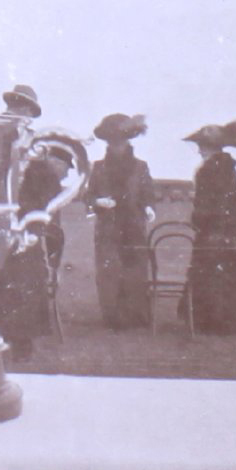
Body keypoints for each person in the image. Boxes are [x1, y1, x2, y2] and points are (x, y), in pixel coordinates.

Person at [0, 84, 66, 361]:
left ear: (29, 113)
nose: (16, 112)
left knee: (25, 280)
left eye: (21, 108)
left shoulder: (37, 146)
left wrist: (36, 217)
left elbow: (49, 187)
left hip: (26, 223)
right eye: (13, 106)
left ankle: (22, 342)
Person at [179, 119, 236, 334]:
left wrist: (197, 219)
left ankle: (211, 323)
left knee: (211, 276)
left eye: (201, 147)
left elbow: (208, 206)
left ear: (211, 147)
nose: (199, 151)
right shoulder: (229, 168)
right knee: (230, 276)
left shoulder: (206, 171)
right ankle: (230, 322)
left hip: (213, 233)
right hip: (232, 233)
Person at [84, 114, 156, 330]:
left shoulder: (141, 167)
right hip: (108, 226)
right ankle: (112, 318)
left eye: (121, 141)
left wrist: (149, 207)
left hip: (134, 226)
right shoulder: (98, 168)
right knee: (109, 272)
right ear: (107, 142)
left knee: (135, 270)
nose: (117, 146)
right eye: (112, 141)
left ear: (128, 140)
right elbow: (88, 196)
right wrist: (98, 202)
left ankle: (136, 316)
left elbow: (148, 193)